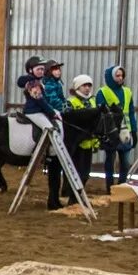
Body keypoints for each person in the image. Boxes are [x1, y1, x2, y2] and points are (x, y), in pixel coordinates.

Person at [17, 57, 65, 210]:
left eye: (43, 69)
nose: (41, 71)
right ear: (31, 70)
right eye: (38, 69)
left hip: (39, 110)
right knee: (50, 128)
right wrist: (52, 113)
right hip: (33, 111)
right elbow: (39, 100)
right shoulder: (32, 82)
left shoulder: (40, 81)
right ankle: (49, 153)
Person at [98, 64, 136, 190]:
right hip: (111, 132)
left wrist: (134, 131)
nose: (120, 78)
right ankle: (109, 186)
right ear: (111, 77)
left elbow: (131, 112)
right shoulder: (102, 92)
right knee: (110, 159)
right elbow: (99, 113)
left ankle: (122, 184)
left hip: (125, 131)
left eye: (122, 75)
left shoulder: (127, 91)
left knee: (125, 161)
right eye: (117, 75)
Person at [66, 74, 98, 203]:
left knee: (85, 173)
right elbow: (67, 120)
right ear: (78, 87)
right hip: (75, 144)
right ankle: (73, 198)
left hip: (88, 143)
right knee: (76, 172)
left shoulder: (92, 101)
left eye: (89, 85)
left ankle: (77, 196)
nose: (87, 88)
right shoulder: (70, 102)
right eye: (84, 85)